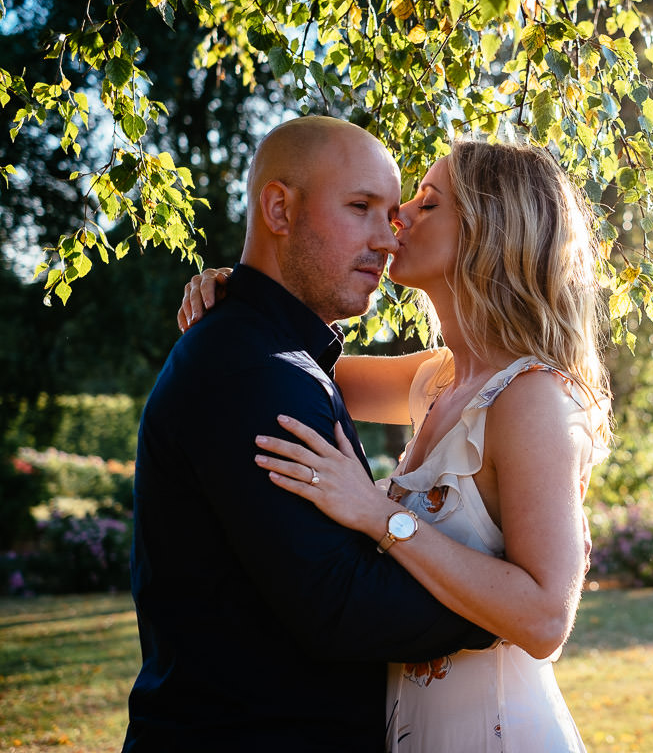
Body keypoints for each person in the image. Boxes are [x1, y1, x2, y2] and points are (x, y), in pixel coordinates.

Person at [179, 138, 612, 752]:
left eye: (428, 204)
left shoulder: (531, 396)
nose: (397, 217)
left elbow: (546, 619)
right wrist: (243, 292)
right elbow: (292, 363)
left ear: (493, 230)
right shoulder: (438, 379)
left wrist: (381, 516)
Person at [123, 116, 495, 753]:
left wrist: (237, 290)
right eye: (361, 207)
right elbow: (341, 607)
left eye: (395, 211)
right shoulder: (254, 369)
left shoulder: (276, 356)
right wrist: (505, 604)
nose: (388, 236)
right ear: (278, 208)